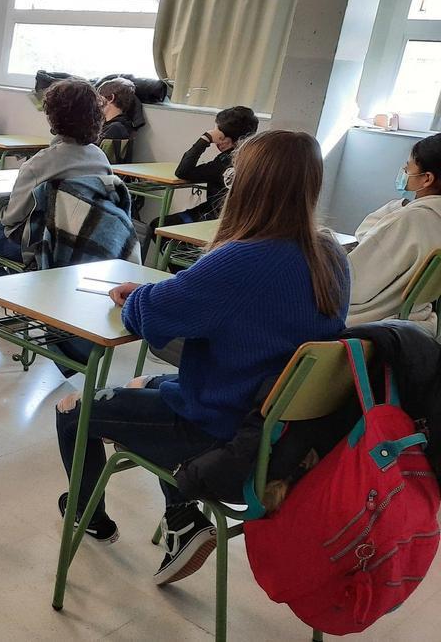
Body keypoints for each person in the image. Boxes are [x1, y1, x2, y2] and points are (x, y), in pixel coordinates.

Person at [54, 130, 349, 587]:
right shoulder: (331, 255)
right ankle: (183, 521)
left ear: (245, 183)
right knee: (145, 387)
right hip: (279, 429)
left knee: (73, 409)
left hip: (219, 428)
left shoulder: (242, 259)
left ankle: (88, 513)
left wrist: (132, 297)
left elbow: (150, 317)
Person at [0, 79, 114, 276]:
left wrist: (2, 210)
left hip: (43, 245)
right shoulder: (101, 159)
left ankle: (9, 292)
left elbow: (12, 219)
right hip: (84, 245)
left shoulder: (40, 163)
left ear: (53, 118)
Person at [346, 133, 441, 330]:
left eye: (408, 166)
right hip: (415, 320)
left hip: (371, 320)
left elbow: (352, 283)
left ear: (427, 179)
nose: (404, 170)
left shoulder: (410, 220)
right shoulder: (414, 215)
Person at [171, 106, 259, 223]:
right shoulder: (255, 158)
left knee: (157, 224)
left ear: (225, 140)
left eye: (217, 132)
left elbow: (183, 172)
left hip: (214, 219)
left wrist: (205, 138)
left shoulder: (225, 161)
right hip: (238, 221)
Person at [97, 78, 136, 143]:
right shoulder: (124, 124)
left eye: (99, 98)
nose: (97, 102)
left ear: (111, 98)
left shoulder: (115, 128)